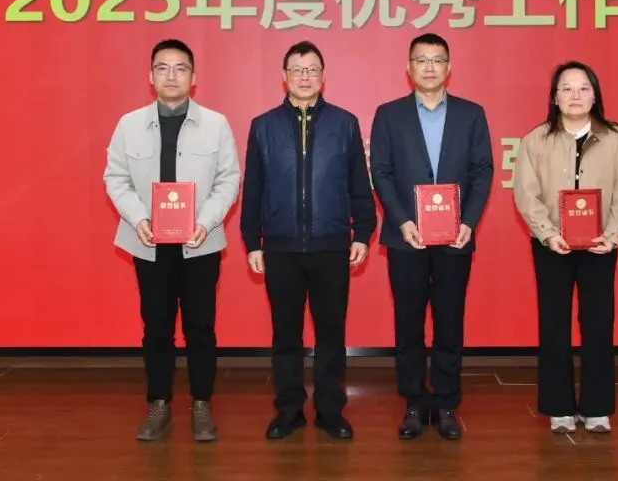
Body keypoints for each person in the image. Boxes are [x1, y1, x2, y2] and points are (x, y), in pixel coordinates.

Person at [103, 39, 241, 443]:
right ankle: (159, 404)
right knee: (157, 327)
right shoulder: (129, 125)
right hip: (149, 243)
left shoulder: (216, 124)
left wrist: (205, 221)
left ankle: (202, 404)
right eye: (162, 68)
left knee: (201, 327)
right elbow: (115, 178)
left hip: (200, 242)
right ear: (150, 77)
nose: (171, 76)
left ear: (193, 78)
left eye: (181, 68)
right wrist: (139, 218)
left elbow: (229, 179)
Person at [240, 40, 377, 441]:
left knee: (331, 334)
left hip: (331, 245)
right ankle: (289, 411)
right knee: (285, 335)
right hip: (280, 246)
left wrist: (362, 232)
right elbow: (254, 188)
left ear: (323, 76)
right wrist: (252, 241)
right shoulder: (263, 126)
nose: (304, 76)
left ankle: (330, 410)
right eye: (297, 70)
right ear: (284, 76)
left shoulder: (345, 123)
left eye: (312, 69)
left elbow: (359, 183)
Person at [369, 33, 495, 441]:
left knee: (449, 322)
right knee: (408, 323)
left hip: (455, 238)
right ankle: (413, 403)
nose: (429, 67)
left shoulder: (471, 114)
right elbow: (381, 171)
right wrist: (402, 219)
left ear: (449, 67)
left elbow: (483, 171)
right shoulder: (389, 114)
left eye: (437, 60)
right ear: (408, 68)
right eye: (421, 60)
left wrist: (469, 221)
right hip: (405, 237)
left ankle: (445, 403)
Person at [511, 60, 618, 435]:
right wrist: (547, 232)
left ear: (595, 95)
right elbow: (526, 193)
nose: (575, 95)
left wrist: (612, 235)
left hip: (600, 247)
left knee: (598, 325)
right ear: (554, 97)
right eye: (566, 89)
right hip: (552, 246)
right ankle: (559, 407)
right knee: (554, 325)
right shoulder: (535, 140)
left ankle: (597, 408)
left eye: (583, 88)